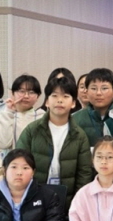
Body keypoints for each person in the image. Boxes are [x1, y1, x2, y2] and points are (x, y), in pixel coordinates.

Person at [16, 78, 93, 209]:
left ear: (73, 103)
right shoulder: (32, 130)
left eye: (65, 96)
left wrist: (77, 203)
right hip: (34, 197)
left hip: (67, 199)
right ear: (47, 101)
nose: (59, 100)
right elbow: (19, 163)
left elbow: (84, 174)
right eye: (54, 96)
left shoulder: (79, 135)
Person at [0, 74, 45, 151]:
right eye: (22, 91)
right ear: (12, 93)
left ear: (38, 96)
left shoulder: (42, 117)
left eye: (31, 92)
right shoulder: (4, 116)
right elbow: (2, 144)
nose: (26, 96)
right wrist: (8, 112)